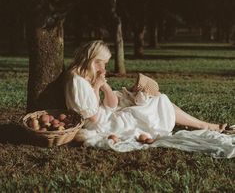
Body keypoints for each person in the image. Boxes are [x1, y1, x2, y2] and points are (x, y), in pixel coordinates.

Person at [65, 40, 227, 145]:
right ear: (94, 61)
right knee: (156, 104)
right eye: (104, 64)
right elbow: (93, 117)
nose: (105, 69)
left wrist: (104, 86)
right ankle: (204, 125)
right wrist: (96, 87)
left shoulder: (87, 77)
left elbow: (110, 104)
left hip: (106, 115)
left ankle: (203, 124)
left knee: (157, 100)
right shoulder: (78, 82)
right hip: (104, 124)